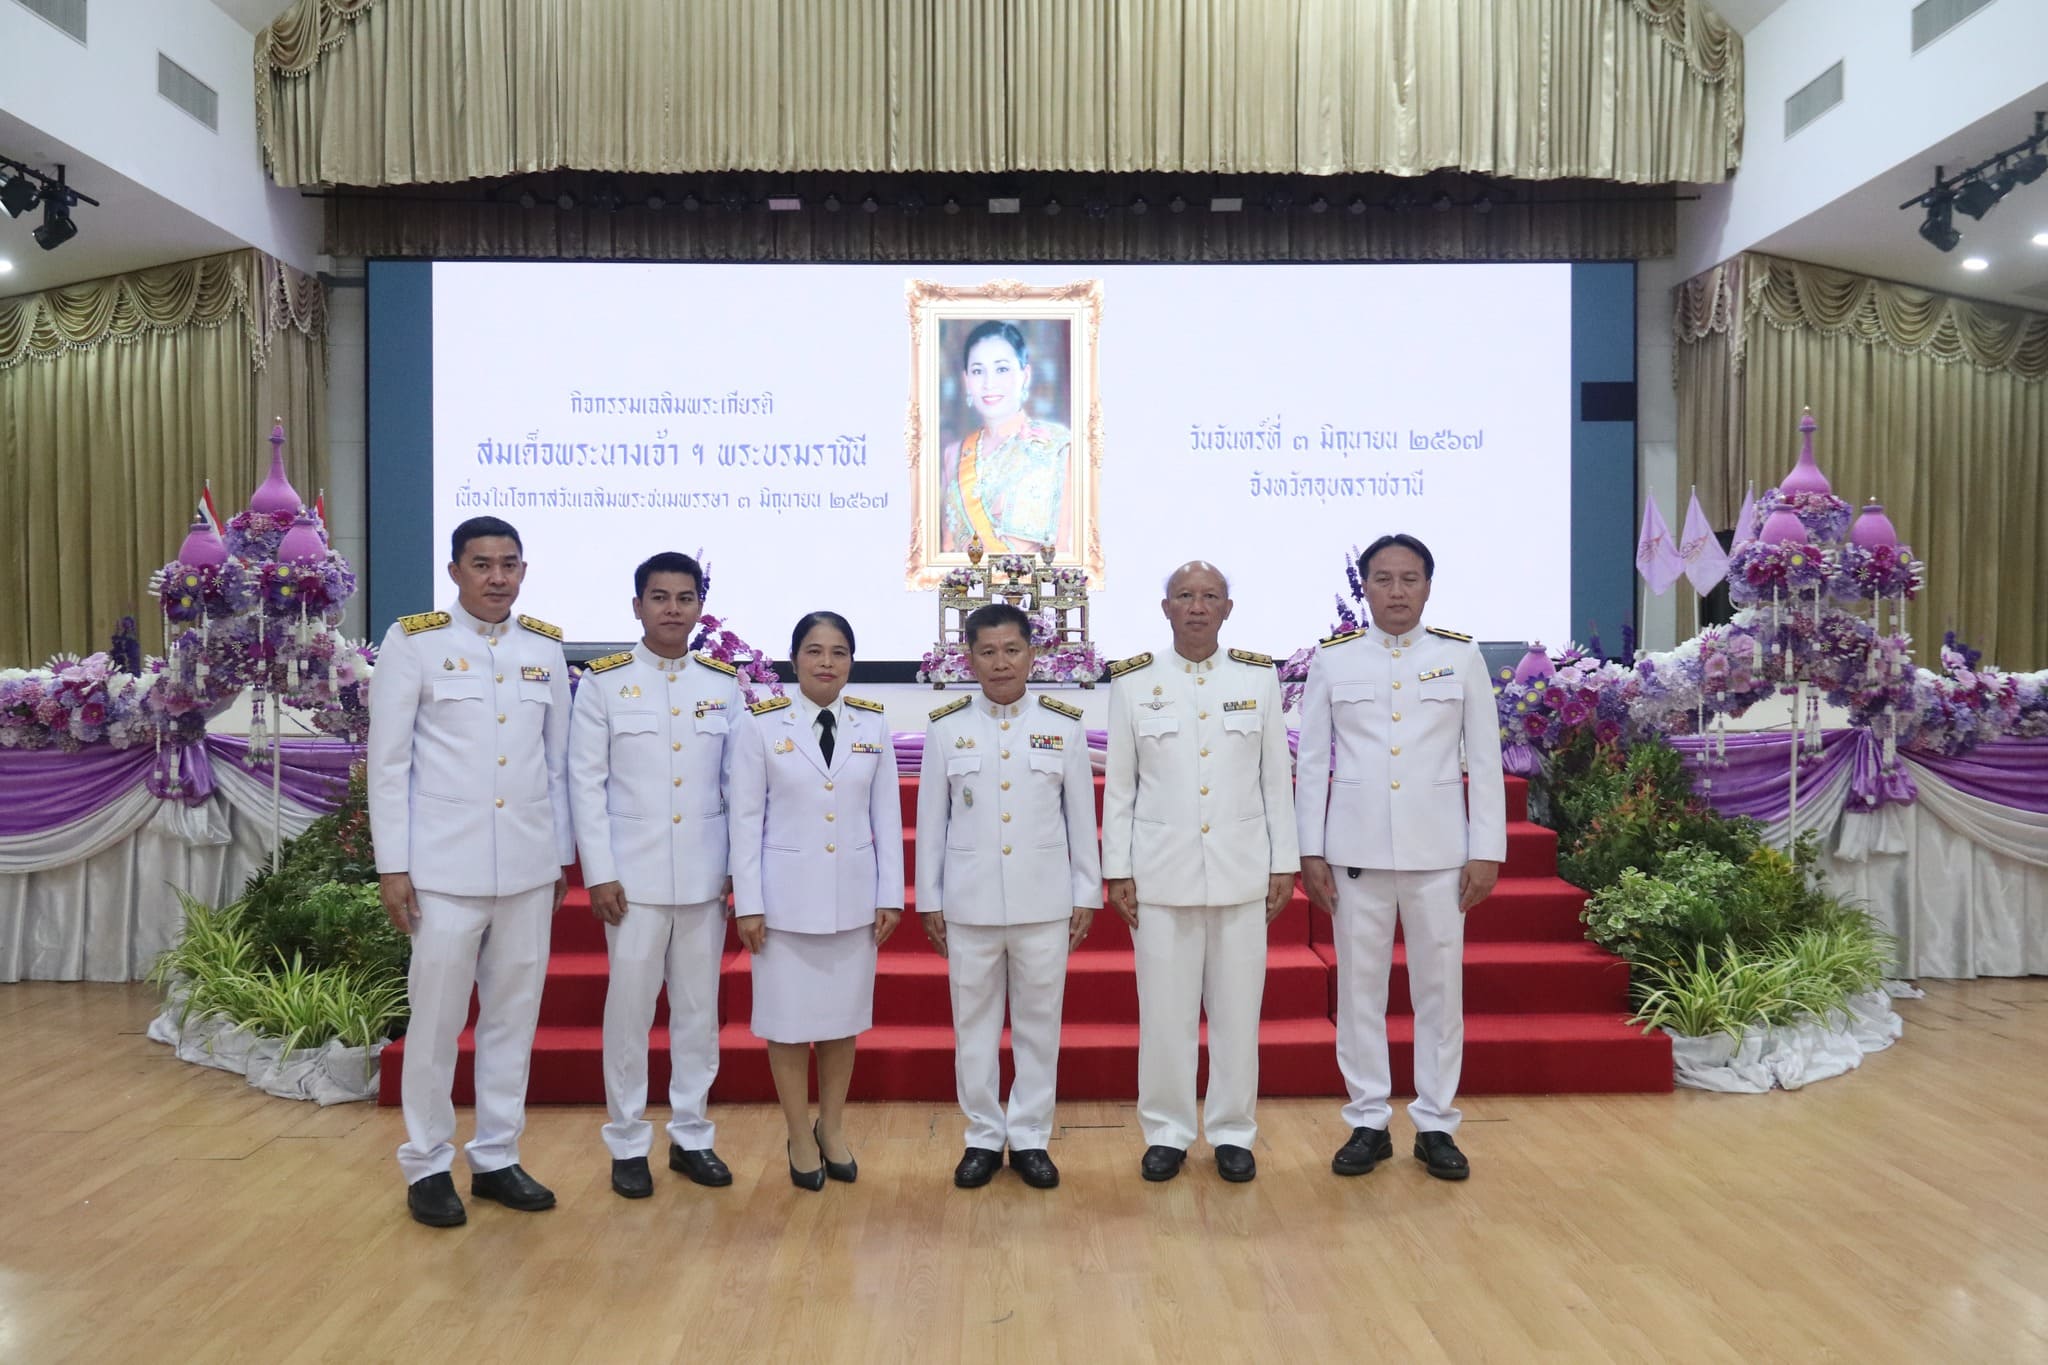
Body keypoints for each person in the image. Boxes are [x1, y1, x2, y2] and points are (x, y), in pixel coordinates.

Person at [367, 515, 573, 1228]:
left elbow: (556, 764)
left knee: (513, 1018)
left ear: (523, 571)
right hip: (443, 869)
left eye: (509, 564)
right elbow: (388, 763)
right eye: (481, 564)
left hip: (526, 865)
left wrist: (560, 855)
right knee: (435, 1022)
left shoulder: (544, 647)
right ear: (454, 571)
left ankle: (496, 1156)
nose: (497, 577)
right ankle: (428, 1162)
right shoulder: (415, 642)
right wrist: (393, 864)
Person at [1295, 534, 1506, 1182]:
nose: (1395, 591)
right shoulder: (1335, 660)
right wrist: (1310, 847)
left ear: (1428, 586)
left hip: (1439, 852)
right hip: (1355, 851)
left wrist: (1486, 849)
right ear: (1364, 587)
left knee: (1439, 991)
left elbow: (1485, 760)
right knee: (1360, 989)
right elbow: (1312, 760)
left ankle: (1436, 1123)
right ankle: (1368, 1120)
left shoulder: (1460, 656)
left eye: (1408, 578)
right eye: (1382, 578)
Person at [1102, 561, 1298, 1183]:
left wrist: (1284, 862)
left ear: (1227, 608)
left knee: (1238, 1016)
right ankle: (1167, 1131)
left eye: (1209, 596)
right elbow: (1121, 786)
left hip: (1242, 872)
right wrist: (1118, 869)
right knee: (1165, 1017)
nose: (1197, 606)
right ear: (1166, 608)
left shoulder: (1257, 678)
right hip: (1161, 876)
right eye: (1184, 595)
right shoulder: (1134, 682)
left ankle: (1234, 1131)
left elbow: (1275, 779)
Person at [569, 552, 740, 1200]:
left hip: (704, 877)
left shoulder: (722, 685)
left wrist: (736, 869)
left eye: (685, 597)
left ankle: (692, 1135)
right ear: (637, 605)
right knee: (631, 1012)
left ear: (700, 607)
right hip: (631, 882)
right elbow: (585, 783)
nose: (673, 609)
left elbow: (737, 784)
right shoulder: (605, 683)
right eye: (660, 597)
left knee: (698, 1012)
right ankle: (627, 1141)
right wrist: (600, 872)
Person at [916, 603, 1099, 1190]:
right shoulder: (947, 727)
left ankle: (1030, 1138)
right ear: (969, 659)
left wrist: (1086, 893)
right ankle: (981, 1137)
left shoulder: (1063, 726)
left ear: (1032, 655)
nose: (1001, 663)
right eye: (988, 652)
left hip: (1044, 904)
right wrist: (929, 900)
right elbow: (932, 822)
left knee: (1040, 1027)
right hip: (969, 905)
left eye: (1012, 650)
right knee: (972, 1028)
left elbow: (1080, 818)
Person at [726, 611, 904, 1190]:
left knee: (840, 1022)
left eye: (838, 652)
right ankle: (798, 1133)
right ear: (794, 659)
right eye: (814, 651)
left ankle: (832, 1126)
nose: (827, 663)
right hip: (784, 905)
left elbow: (886, 816)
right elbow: (745, 821)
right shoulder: (760, 726)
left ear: (851, 661)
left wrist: (890, 894)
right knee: (786, 1023)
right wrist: (748, 903)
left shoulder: (872, 724)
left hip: (853, 901)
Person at [938, 320, 1072, 555]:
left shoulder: (1058, 446)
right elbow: (948, 549)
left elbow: (1065, 548)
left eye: (1001, 369)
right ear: (966, 380)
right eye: (978, 371)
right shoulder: (953, 455)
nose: (989, 383)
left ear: (1025, 375)